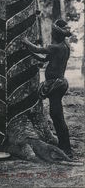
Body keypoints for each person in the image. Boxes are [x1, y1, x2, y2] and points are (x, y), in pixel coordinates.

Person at [23, 19, 73, 158]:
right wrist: (29, 52)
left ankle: (66, 148)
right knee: (56, 114)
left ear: (56, 34)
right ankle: (64, 145)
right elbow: (44, 59)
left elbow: (38, 49)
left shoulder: (56, 47)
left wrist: (25, 41)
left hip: (55, 85)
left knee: (57, 115)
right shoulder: (64, 45)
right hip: (59, 83)